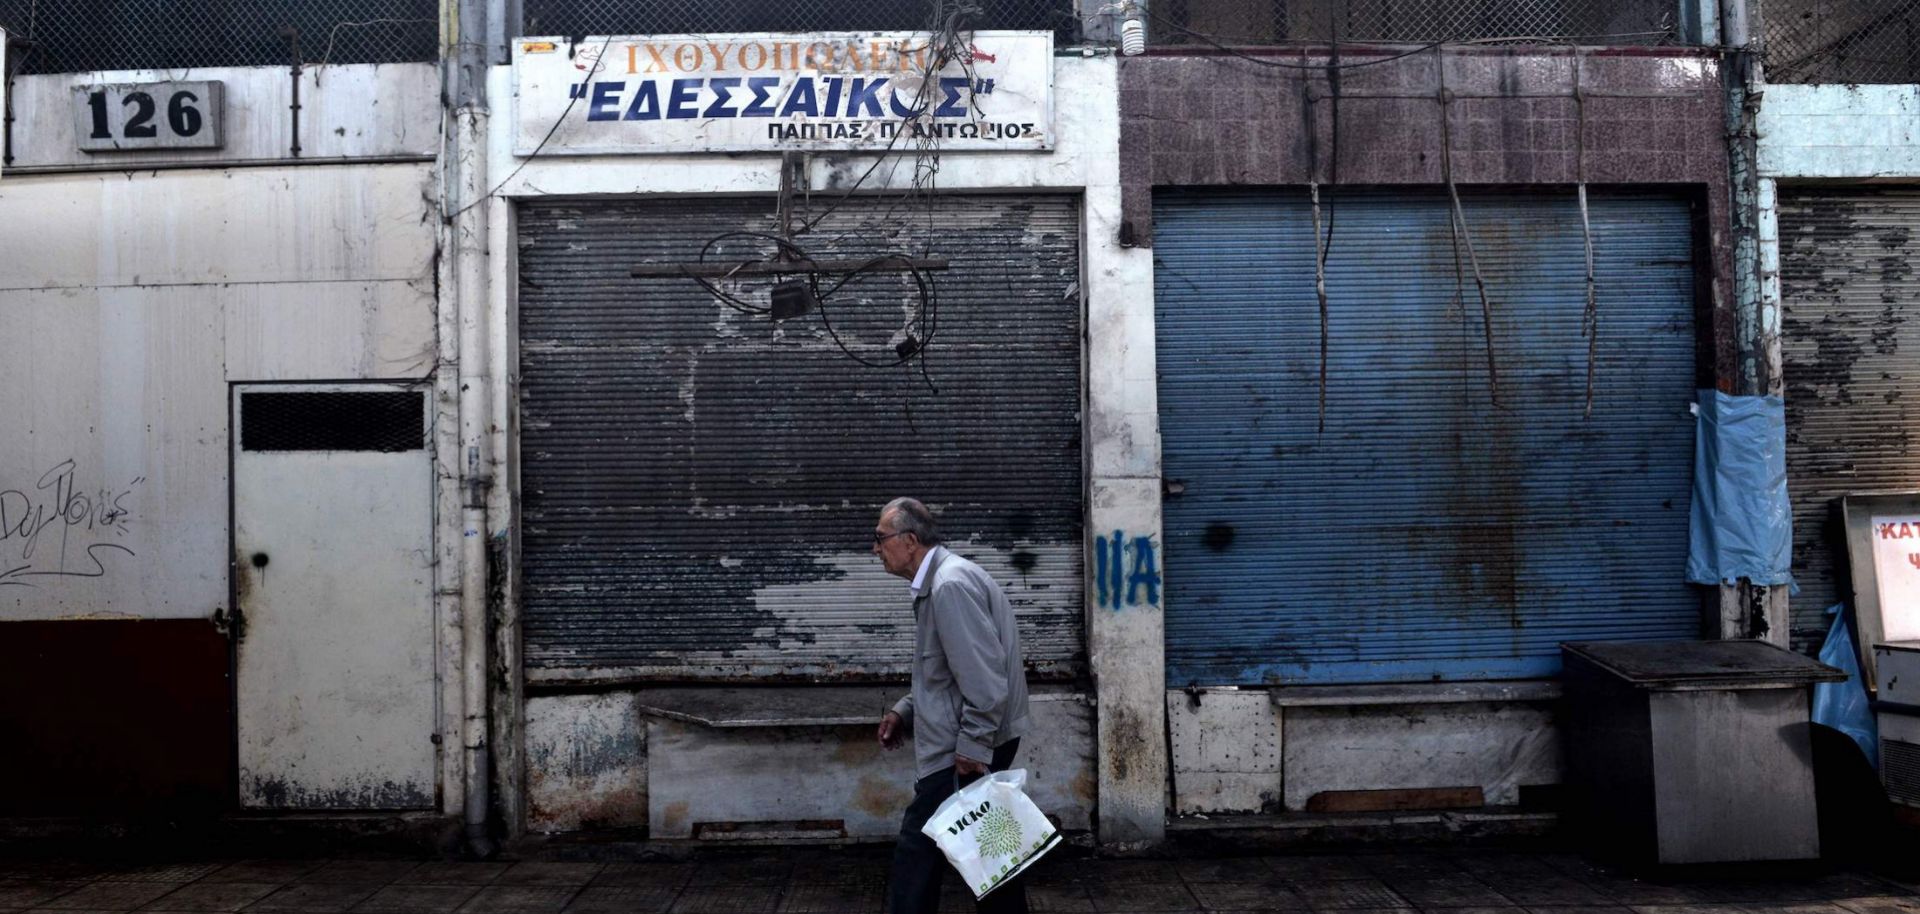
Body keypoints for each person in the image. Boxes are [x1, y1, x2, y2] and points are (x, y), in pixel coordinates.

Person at [872, 497, 1031, 914]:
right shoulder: (940, 582)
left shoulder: (949, 586)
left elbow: (983, 678)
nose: (876, 549)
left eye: (880, 538)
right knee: (990, 852)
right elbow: (943, 670)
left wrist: (974, 745)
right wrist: (904, 711)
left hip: (963, 744)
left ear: (909, 541)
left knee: (918, 845)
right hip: (970, 735)